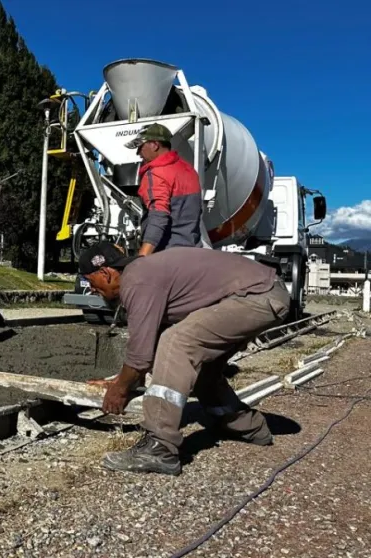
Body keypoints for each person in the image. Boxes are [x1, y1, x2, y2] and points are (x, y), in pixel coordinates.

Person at [78, 241, 289, 475]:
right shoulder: (146, 274)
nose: (91, 289)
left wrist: (119, 390)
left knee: (176, 342)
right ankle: (249, 428)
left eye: (90, 281)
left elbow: (140, 356)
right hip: (261, 292)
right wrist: (123, 380)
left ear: (105, 273)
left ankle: (160, 446)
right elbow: (148, 347)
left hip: (256, 295)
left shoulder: (137, 280)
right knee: (203, 369)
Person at [123, 123, 204, 256]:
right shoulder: (189, 171)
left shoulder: (155, 174)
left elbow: (158, 217)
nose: (138, 153)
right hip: (192, 251)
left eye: (140, 147)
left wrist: (142, 256)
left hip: (166, 255)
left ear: (154, 145)